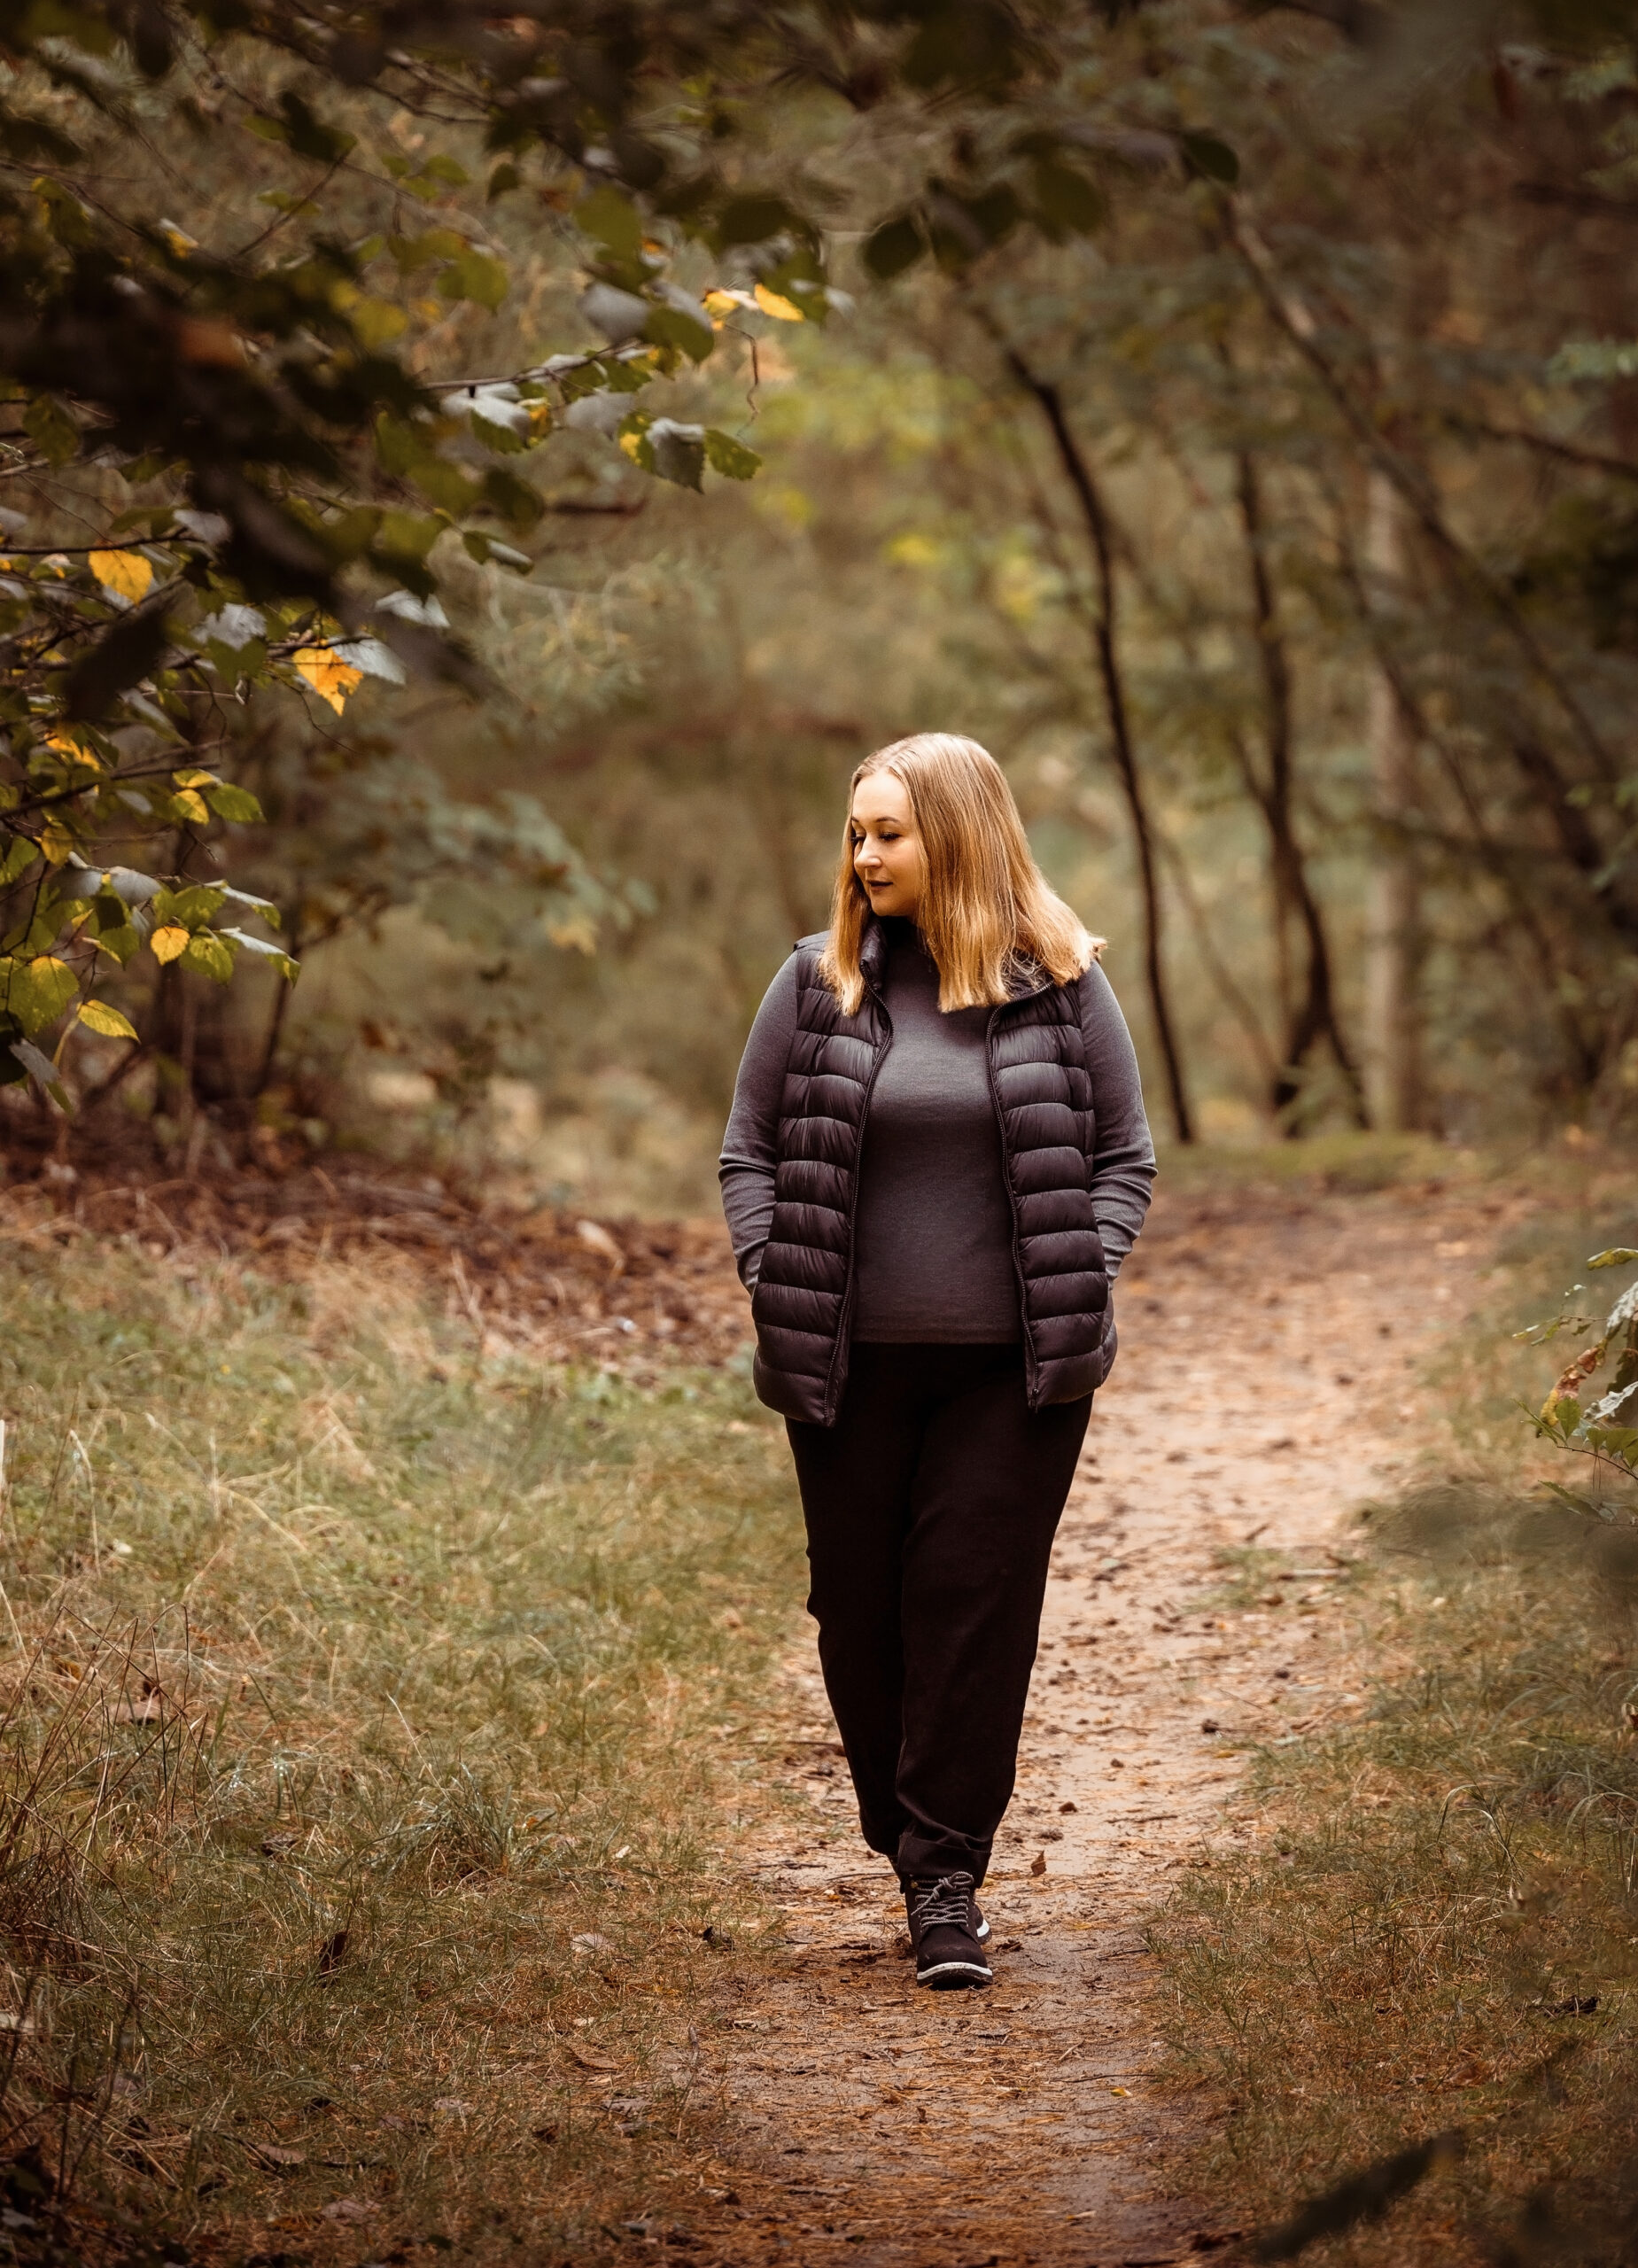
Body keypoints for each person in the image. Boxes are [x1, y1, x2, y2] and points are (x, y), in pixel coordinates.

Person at [718, 733, 1155, 1990]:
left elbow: (1122, 1158)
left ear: (957, 836)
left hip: (1011, 1377)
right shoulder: (814, 984)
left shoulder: (1062, 987)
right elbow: (748, 1151)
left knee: (971, 1605)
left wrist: (1078, 1269)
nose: (864, 855)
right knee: (858, 1614)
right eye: (856, 833)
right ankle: (910, 1835)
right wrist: (771, 1270)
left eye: (889, 833)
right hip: (843, 1367)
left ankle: (944, 1874)